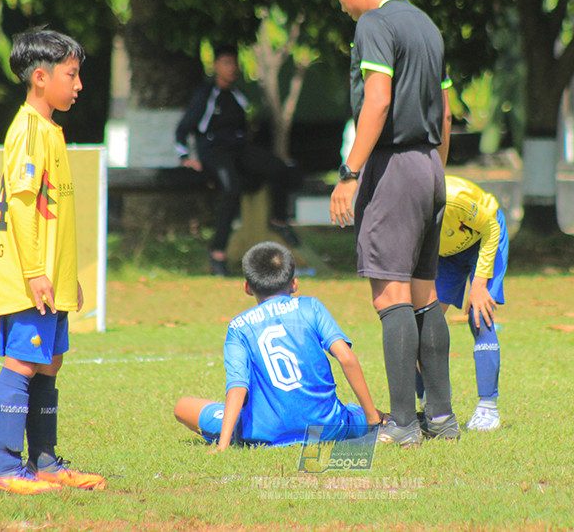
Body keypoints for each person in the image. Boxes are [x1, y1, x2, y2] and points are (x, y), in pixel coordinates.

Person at [321, 0, 457, 447]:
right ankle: (440, 419)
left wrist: (351, 173)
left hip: (394, 165)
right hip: (429, 164)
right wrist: (434, 172)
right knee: (424, 295)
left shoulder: (375, 23)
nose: (346, 9)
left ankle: (401, 424)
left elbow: (376, 102)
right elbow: (444, 112)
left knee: (390, 296)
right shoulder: (425, 24)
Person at [0, 28, 105, 494]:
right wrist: (37, 272)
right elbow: (19, 206)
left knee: (50, 363)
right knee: (22, 364)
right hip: (28, 279)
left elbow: (49, 211)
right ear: (41, 77)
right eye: (71, 75)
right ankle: (6, 468)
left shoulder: (51, 129)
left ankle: (45, 463)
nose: (78, 86)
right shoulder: (27, 131)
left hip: (50, 280)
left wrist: (64, 276)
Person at [173, 241, 383, 448]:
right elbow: (346, 357)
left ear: (247, 287)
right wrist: (372, 418)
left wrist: (224, 444)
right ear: (294, 283)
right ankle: (382, 421)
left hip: (265, 433)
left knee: (183, 407)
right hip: (327, 427)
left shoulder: (238, 326)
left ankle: (238, 432)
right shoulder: (311, 307)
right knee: (366, 413)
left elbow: (238, 386)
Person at [175, 45, 300, 276]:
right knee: (232, 189)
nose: (232, 68)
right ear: (216, 67)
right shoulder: (206, 95)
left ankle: (279, 220)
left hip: (238, 150)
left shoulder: (239, 96)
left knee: (279, 168)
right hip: (214, 152)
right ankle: (217, 252)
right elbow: (183, 129)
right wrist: (185, 157)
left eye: (235, 63)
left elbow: (246, 131)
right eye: (227, 63)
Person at [414, 175, 507, 431]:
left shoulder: (454, 199)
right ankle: (429, 403)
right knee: (418, 323)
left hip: (485, 240)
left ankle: (488, 409)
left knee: (480, 316)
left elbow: (490, 227)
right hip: (444, 255)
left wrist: (478, 285)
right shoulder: (400, 209)